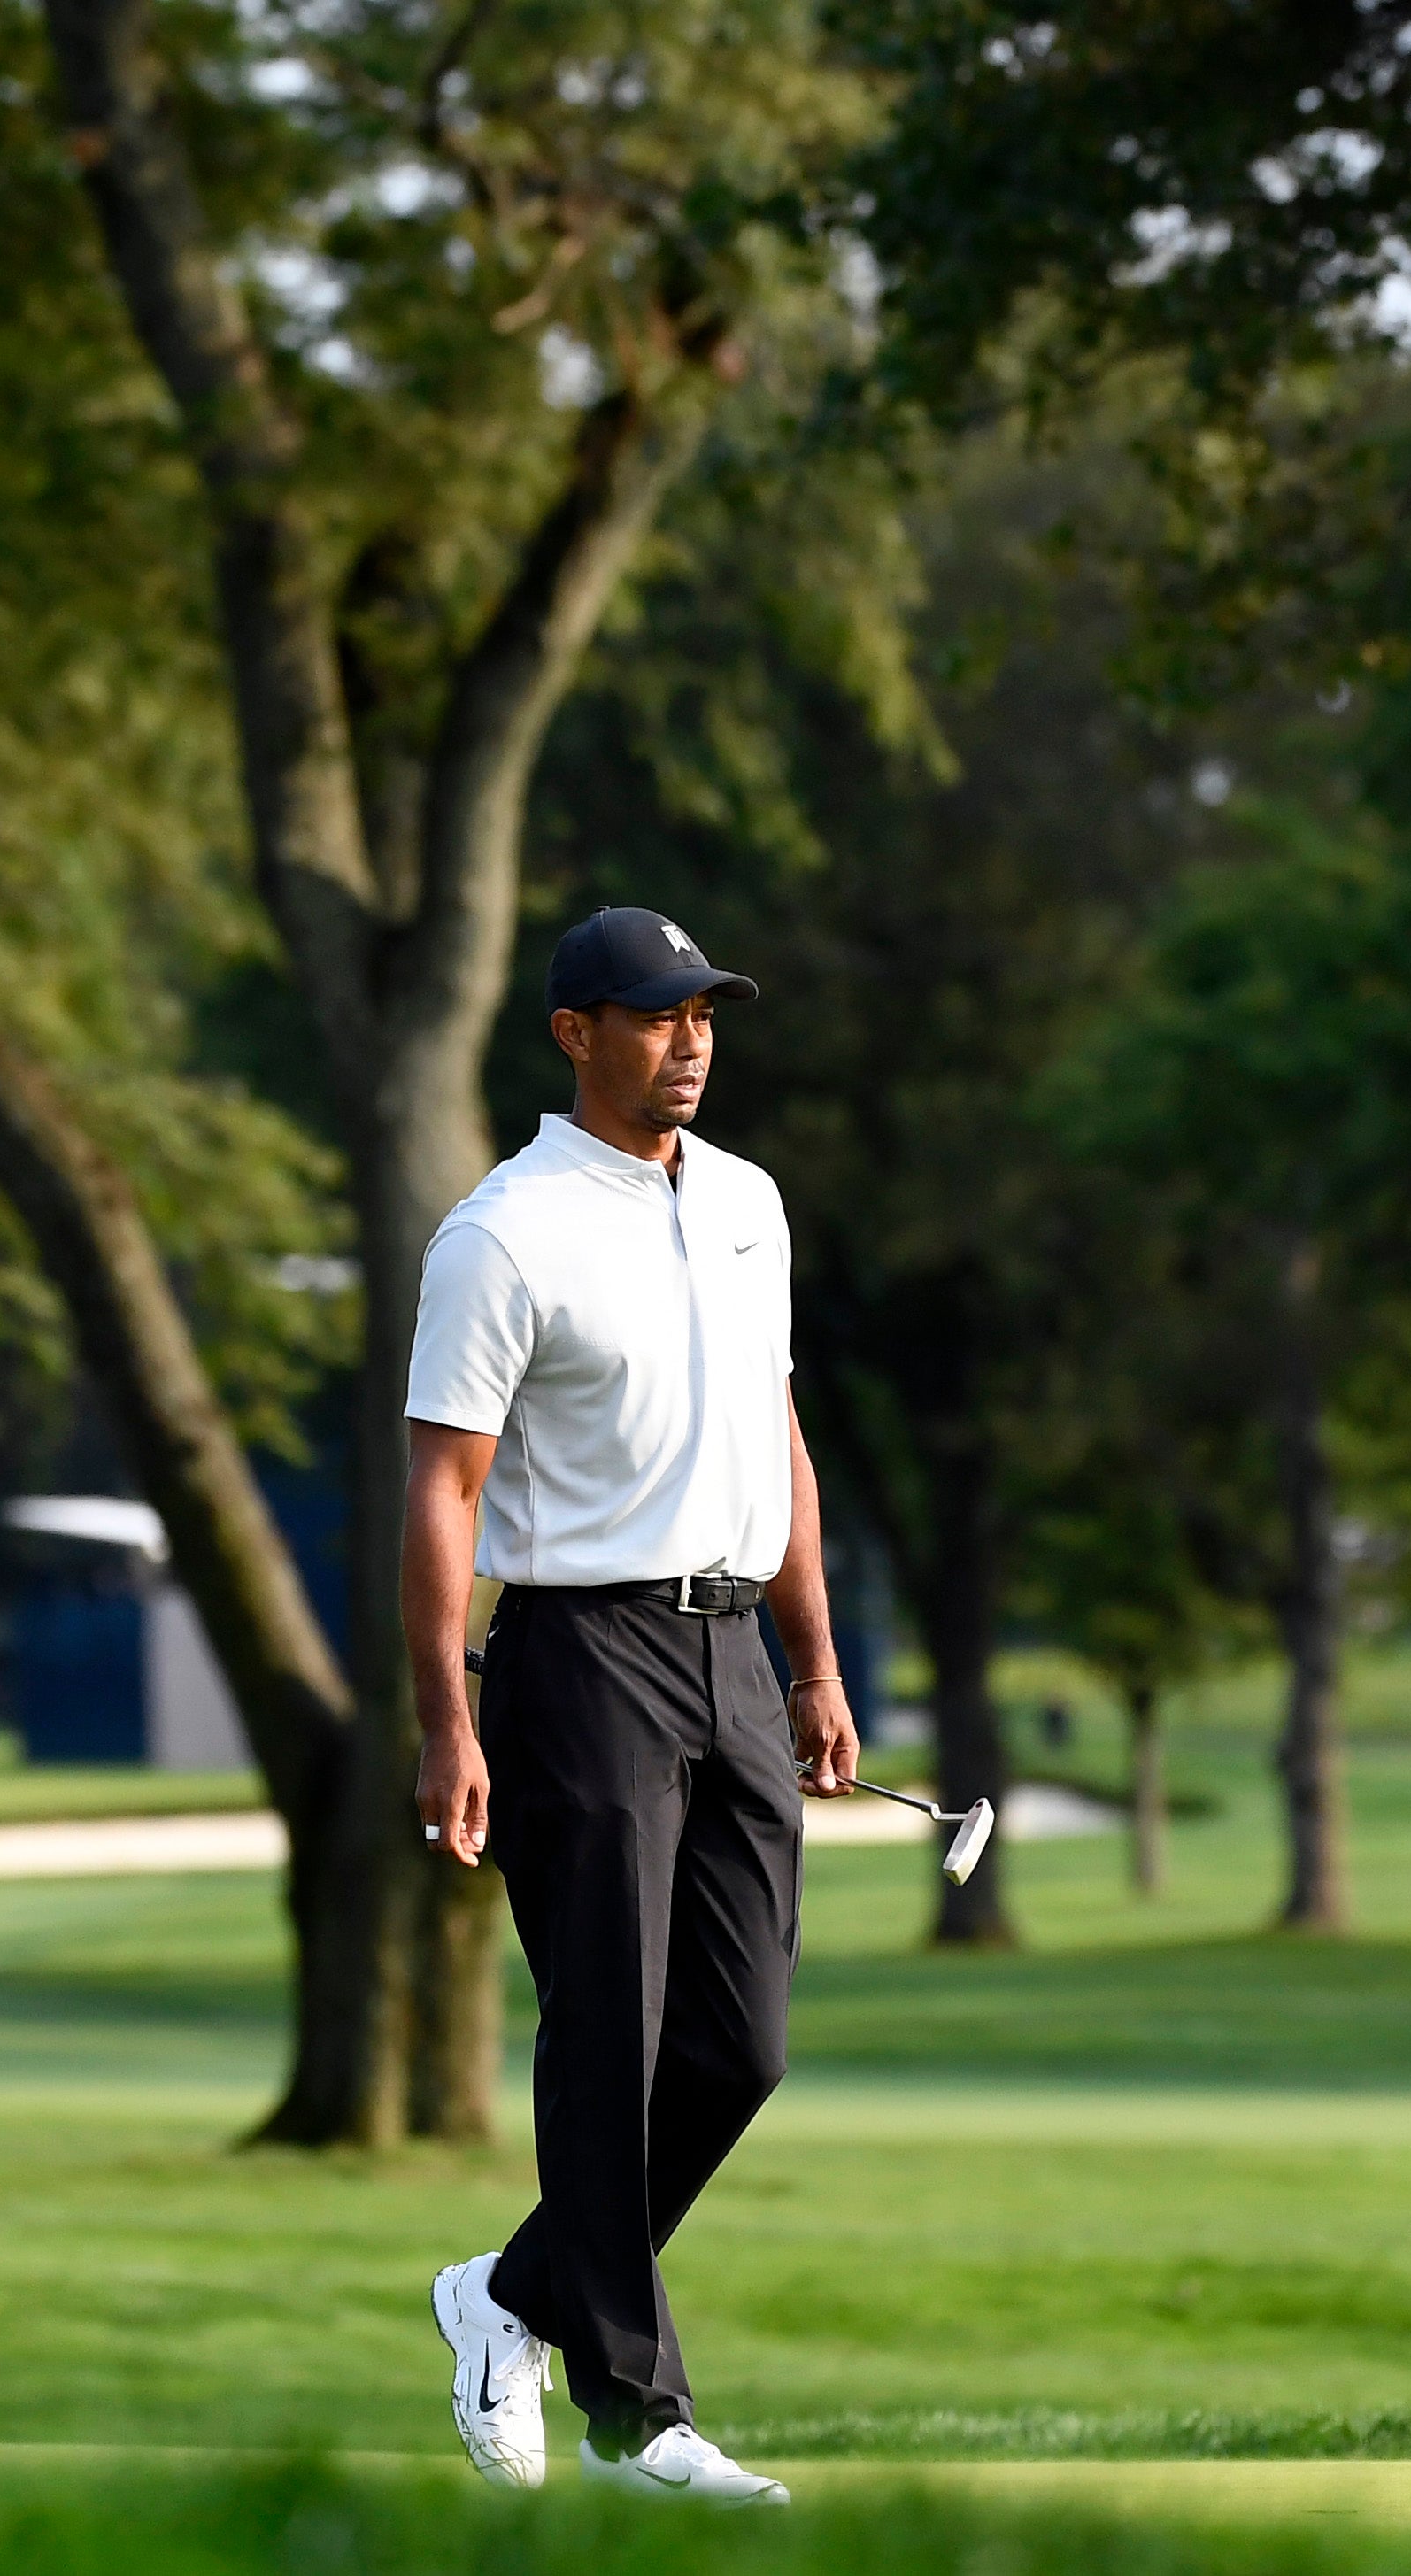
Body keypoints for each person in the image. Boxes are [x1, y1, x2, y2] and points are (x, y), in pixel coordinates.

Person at [405, 907, 854, 2511]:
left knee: (739, 2042)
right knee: (607, 2031)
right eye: (658, 1016)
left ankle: (512, 2293)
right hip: (580, 1657)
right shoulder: (503, 1233)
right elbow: (444, 1492)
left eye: (706, 1014)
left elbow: (779, 1440)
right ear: (575, 1034)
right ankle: (637, 2419)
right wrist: (447, 1718)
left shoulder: (747, 1204)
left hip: (735, 1647)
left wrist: (811, 1657)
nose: (693, 1040)